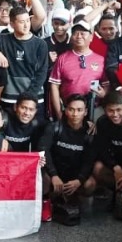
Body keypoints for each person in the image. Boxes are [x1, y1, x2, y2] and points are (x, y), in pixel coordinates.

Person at [38, 94, 95, 225]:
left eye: (79, 110)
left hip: (75, 176)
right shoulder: (54, 127)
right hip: (56, 174)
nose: (75, 114)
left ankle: (73, 198)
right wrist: (53, 175)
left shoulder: (91, 132)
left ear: (85, 111)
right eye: (71, 109)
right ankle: (47, 203)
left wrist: (79, 180)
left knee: (90, 184)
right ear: (65, 110)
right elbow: (43, 149)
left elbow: (90, 160)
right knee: (43, 176)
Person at [0, 6, 49, 118]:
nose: (26, 25)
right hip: (10, 97)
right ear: (12, 24)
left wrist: (29, 96)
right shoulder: (2, 39)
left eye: (28, 21)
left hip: (34, 98)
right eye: (21, 22)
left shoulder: (40, 44)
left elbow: (42, 73)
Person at [47, 19, 106, 119]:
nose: (79, 36)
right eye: (75, 33)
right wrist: (59, 114)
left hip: (93, 109)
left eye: (83, 33)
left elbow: (106, 84)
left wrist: (104, 93)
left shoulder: (100, 59)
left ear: (91, 37)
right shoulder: (63, 58)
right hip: (69, 110)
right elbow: (54, 86)